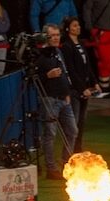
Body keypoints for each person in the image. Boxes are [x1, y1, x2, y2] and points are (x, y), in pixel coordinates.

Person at [36, 23, 78, 179]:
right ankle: (51, 169)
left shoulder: (58, 52)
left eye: (57, 35)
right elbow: (32, 78)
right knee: (50, 135)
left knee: (72, 131)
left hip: (63, 98)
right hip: (49, 99)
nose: (55, 38)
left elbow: (64, 73)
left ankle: (66, 163)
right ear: (45, 37)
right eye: (52, 35)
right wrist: (47, 75)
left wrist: (67, 92)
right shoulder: (38, 55)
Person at [61, 16, 100, 154]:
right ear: (68, 29)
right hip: (75, 90)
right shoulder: (66, 46)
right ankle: (69, 152)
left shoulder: (81, 44)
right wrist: (82, 88)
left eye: (78, 25)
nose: (78, 28)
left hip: (85, 88)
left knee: (82, 122)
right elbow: (71, 70)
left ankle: (78, 149)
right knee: (74, 123)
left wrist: (94, 83)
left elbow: (87, 66)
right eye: (74, 26)